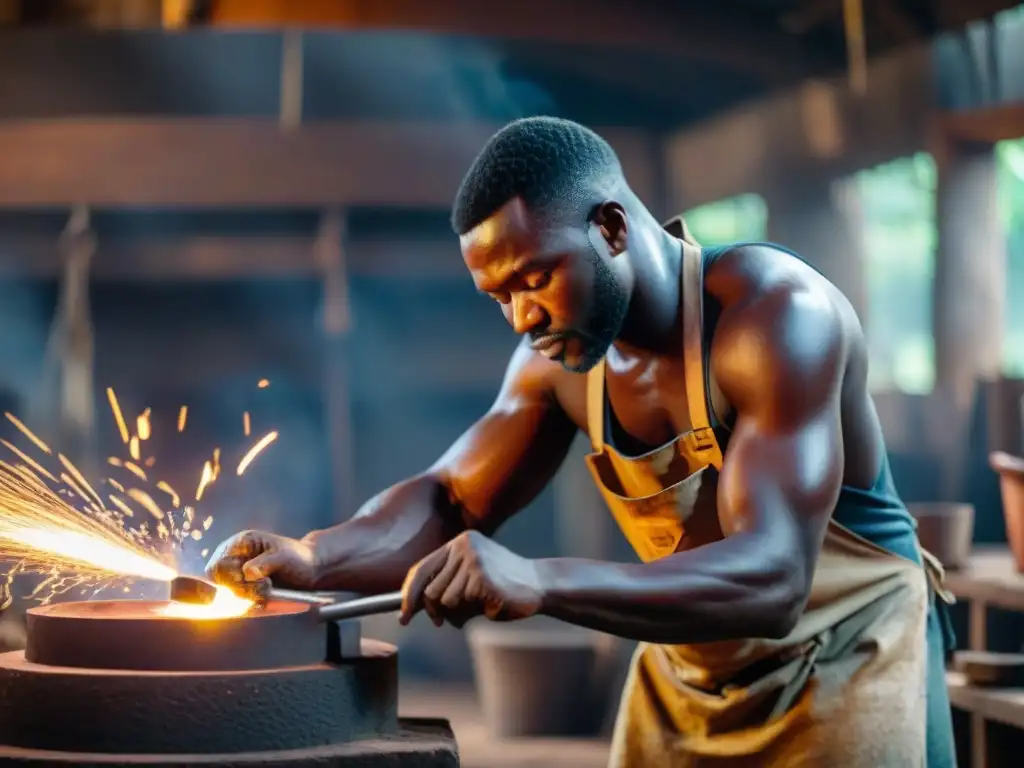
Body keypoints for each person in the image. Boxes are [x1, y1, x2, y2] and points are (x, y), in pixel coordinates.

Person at [207, 117, 957, 766]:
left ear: (612, 228)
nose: (521, 318)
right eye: (500, 297)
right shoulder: (556, 367)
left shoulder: (773, 317)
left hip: (846, 656)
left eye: (535, 278)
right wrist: (315, 557)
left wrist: (541, 582)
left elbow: (774, 579)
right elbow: (450, 499)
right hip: (692, 671)